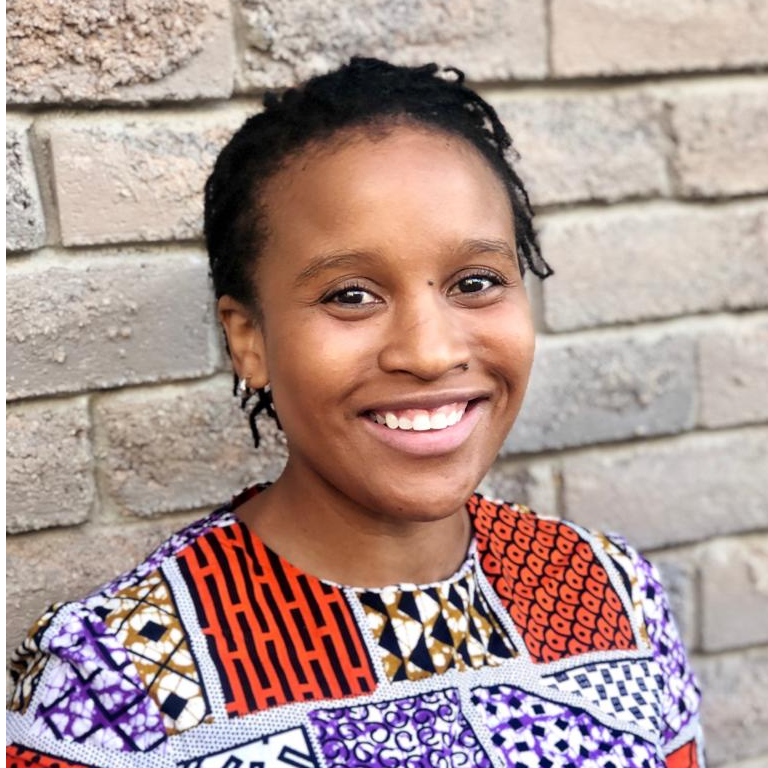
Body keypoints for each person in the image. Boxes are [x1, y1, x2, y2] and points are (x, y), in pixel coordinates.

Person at [6, 56, 706, 768]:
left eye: (475, 282)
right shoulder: (115, 684)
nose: (430, 353)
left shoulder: (609, 591)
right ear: (249, 341)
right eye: (351, 296)